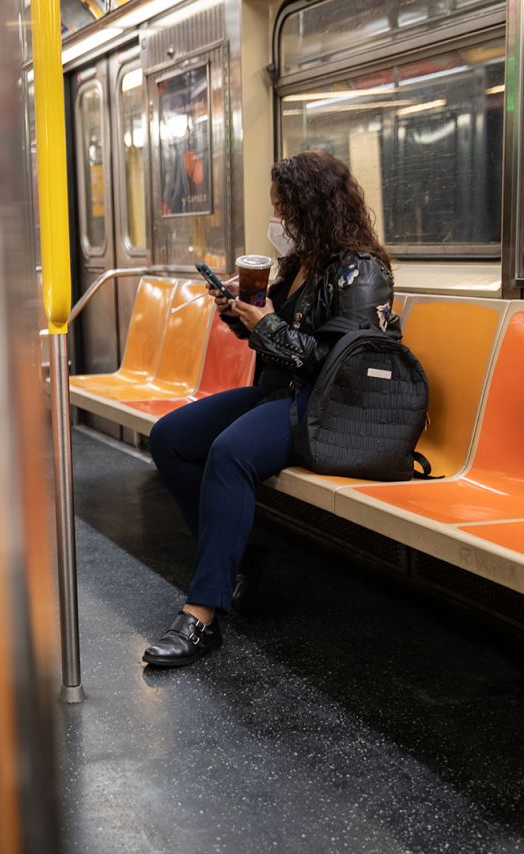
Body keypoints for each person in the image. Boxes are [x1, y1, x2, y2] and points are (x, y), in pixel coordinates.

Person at [143, 151, 396, 667]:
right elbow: (281, 336)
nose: (278, 220)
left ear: (313, 207)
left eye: (285, 209)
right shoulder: (304, 263)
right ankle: (238, 560)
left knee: (230, 453)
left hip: (327, 407)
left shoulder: (361, 272)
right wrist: (242, 316)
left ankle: (202, 616)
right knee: (170, 438)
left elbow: (339, 362)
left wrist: (264, 325)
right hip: (281, 393)